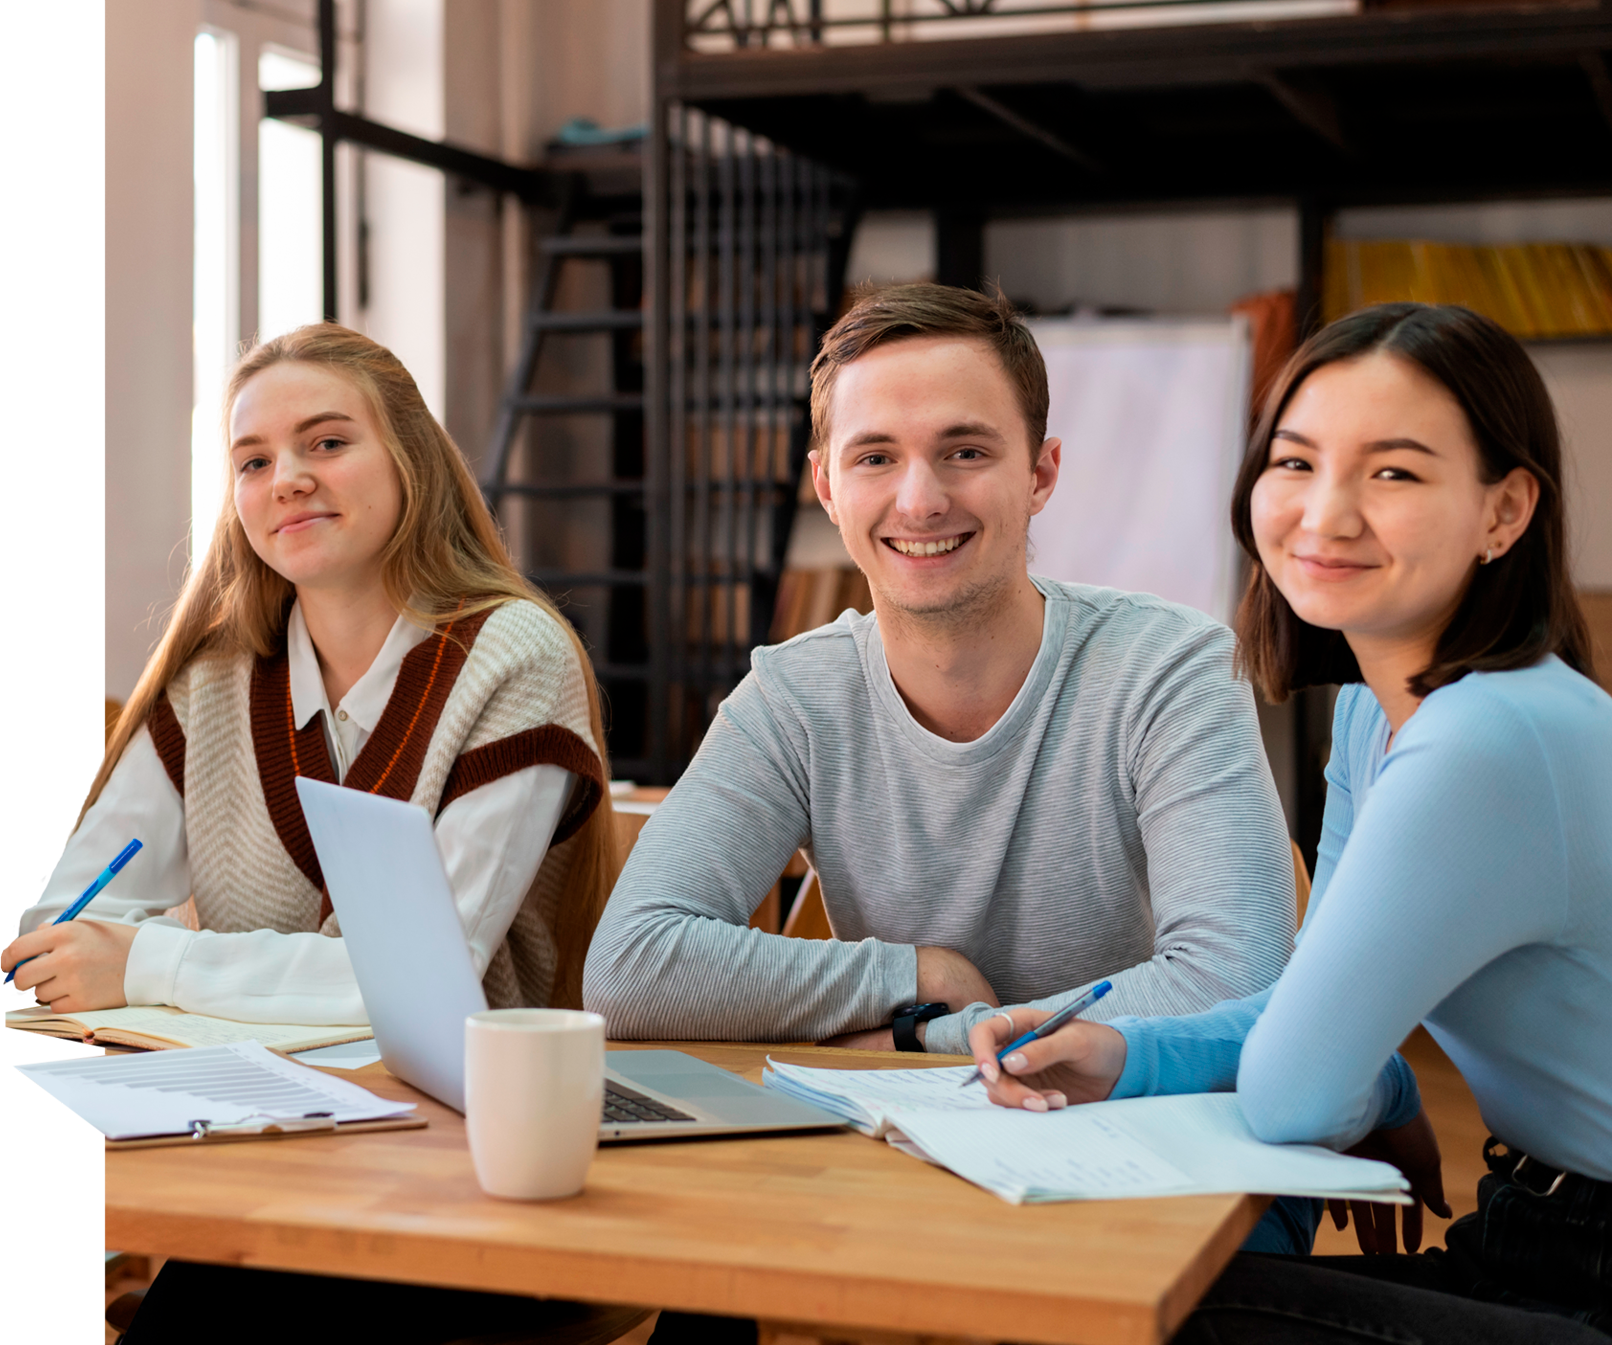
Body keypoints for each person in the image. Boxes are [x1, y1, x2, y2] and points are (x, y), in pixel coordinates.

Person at [965, 303, 1611, 1340]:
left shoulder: (1484, 738)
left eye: (1393, 472)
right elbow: (1306, 1007)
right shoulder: (1374, 711)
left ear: (1505, 511)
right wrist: (1120, 1051)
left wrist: (1364, 1080)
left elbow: (1291, 1090)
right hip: (1534, 1227)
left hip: (1589, 1259)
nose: (1325, 514)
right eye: (1296, 462)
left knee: (1132, 1309)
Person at [584, 283, 1296, 1059]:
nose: (920, 501)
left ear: (1040, 474)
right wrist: (914, 972)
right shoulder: (793, 697)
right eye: (876, 457)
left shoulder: (1170, 670)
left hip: (1139, 1147)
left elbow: (1237, 979)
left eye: (966, 452)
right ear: (828, 486)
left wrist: (927, 1035)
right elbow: (629, 966)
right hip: (901, 1155)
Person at [3, 323, 617, 1021]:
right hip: (244, 1107)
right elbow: (64, 924)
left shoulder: (517, 657)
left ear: (409, 458)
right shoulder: (211, 680)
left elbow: (422, 976)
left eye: (327, 442)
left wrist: (153, 960)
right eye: (253, 462)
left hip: (464, 1115)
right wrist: (92, 954)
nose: (288, 480)